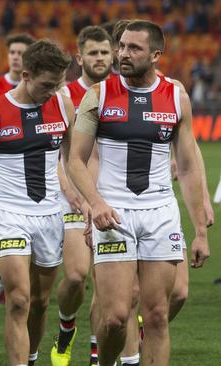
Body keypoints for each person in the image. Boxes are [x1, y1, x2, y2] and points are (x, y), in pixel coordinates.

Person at [67, 20, 210, 366]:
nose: (123, 54)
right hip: (113, 214)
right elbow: (75, 160)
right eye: (122, 47)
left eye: (134, 48)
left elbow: (189, 168)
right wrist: (95, 203)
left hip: (160, 213)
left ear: (156, 55)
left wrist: (201, 231)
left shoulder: (177, 97)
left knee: (158, 314)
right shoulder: (98, 95)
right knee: (115, 316)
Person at [0, 39, 73, 366]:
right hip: (8, 214)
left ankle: (31, 358)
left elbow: (74, 163)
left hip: (50, 214)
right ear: (26, 74)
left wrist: (85, 202)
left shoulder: (62, 106)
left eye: (57, 84)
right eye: (47, 84)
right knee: (18, 300)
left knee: (41, 301)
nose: (52, 91)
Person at [50, 25, 113, 366]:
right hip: (72, 195)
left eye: (105, 52)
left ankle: (95, 351)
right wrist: (68, 186)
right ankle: (66, 325)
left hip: (113, 195)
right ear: (80, 57)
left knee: (105, 280)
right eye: (93, 53)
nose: (100, 58)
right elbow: (57, 147)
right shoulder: (63, 95)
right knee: (75, 275)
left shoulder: (124, 91)